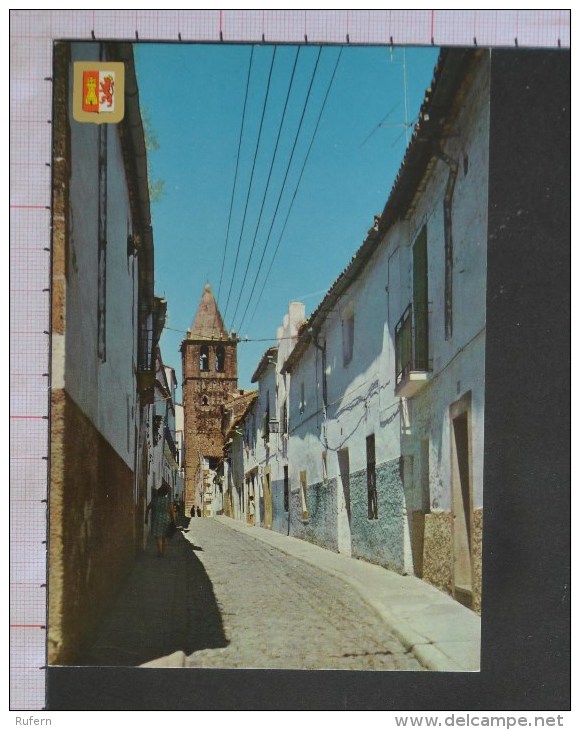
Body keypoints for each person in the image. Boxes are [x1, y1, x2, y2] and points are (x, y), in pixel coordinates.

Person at [148, 484, 175, 557]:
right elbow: (171, 511)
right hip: (166, 519)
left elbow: (148, 508)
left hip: (157, 519)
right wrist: (173, 521)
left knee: (158, 536)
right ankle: (163, 552)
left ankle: (159, 552)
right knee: (164, 537)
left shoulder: (155, 499)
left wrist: (146, 518)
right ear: (166, 493)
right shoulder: (168, 501)